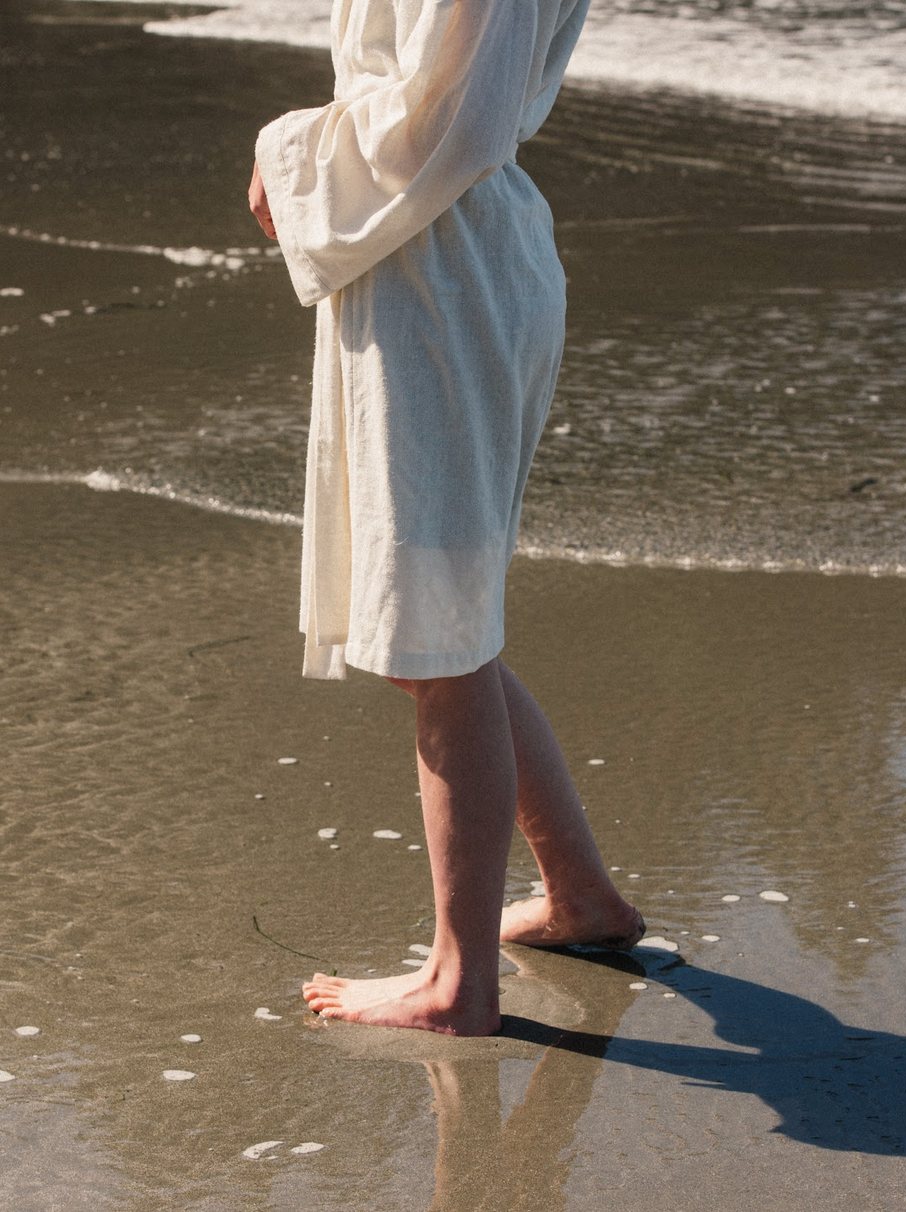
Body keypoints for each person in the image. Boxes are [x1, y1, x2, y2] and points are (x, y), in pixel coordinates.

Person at [248, 0, 643, 1037]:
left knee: (436, 638)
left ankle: (457, 981)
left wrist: (288, 157)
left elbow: (453, 122)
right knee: (436, 632)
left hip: (440, 268)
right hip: (439, 259)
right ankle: (580, 898)